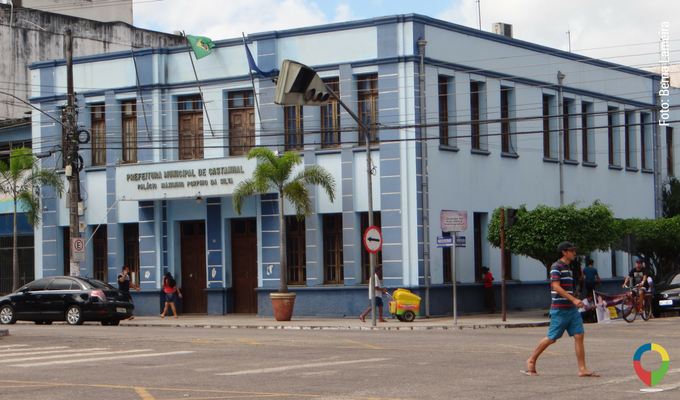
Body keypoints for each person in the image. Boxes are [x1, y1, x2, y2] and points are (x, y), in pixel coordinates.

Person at [524, 241, 599, 377]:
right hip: (560, 309)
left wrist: (574, 301)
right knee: (551, 338)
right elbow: (557, 287)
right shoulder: (556, 267)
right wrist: (574, 299)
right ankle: (531, 360)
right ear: (564, 252)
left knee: (579, 335)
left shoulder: (568, 268)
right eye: (572, 250)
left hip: (571, 309)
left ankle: (582, 369)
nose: (574, 253)